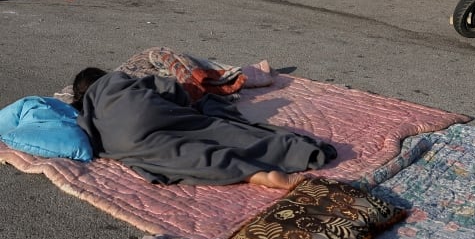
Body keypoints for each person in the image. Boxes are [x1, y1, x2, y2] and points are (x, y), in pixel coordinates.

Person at [70, 67, 337, 189]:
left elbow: (87, 139)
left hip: (126, 141)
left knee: (190, 155)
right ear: (102, 77)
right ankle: (298, 153)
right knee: (214, 129)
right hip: (155, 113)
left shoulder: (87, 109)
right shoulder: (119, 79)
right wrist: (184, 105)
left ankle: (259, 177)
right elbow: (170, 89)